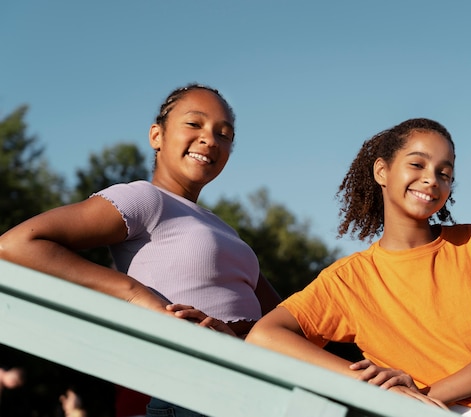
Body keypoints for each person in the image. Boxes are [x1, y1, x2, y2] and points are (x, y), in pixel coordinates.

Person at [0, 84, 281, 416]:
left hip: (245, 389)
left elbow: (284, 318)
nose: (211, 139)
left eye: (225, 134)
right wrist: (135, 294)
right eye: (195, 124)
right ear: (156, 136)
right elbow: (16, 245)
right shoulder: (145, 198)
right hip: (175, 389)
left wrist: (236, 337)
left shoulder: (225, 231)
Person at [246, 118, 471, 416]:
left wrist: (422, 395)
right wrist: (370, 384)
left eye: (444, 173)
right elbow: (265, 335)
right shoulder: (347, 280)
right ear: (382, 171)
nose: (432, 179)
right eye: (417, 164)